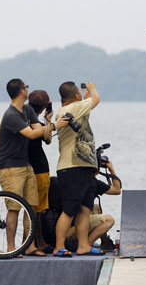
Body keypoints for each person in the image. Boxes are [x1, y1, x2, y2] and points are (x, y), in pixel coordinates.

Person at [0, 79, 69, 257]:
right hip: (9, 166)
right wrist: (53, 126)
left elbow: (40, 131)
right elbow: (30, 133)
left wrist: (48, 123)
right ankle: (11, 247)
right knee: (14, 207)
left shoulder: (27, 110)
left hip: (26, 164)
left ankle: (28, 245)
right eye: (26, 87)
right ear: (22, 91)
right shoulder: (11, 115)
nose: (28, 89)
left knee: (30, 206)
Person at [53, 81, 102, 257]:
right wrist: (91, 89)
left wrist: (85, 96)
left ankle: (83, 246)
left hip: (84, 167)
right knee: (70, 210)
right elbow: (96, 99)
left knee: (85, 209)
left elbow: (86, 111)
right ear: (75, 97)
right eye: (79, 95)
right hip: (71, 167)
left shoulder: (76, 109)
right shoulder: (71, 109)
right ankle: (59, 247)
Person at [66, 159, 121, 250]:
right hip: (71, 231)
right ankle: (86, 245)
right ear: (97, 169)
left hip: (63, 228)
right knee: (109, 220)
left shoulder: (71, 177)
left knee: (96, 207)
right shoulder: (92, 182)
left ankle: (105, 242)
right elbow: (117, 190)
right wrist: (111, 169)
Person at [26, 90, 55, 253]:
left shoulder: (22, 121)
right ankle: (39, 242)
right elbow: (49, 140)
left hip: (25, 167)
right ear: (44, 107)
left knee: (30, 208)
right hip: (40, 169)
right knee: (38, 209)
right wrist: (49, 120)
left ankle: (31, 242)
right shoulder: (38, 125)